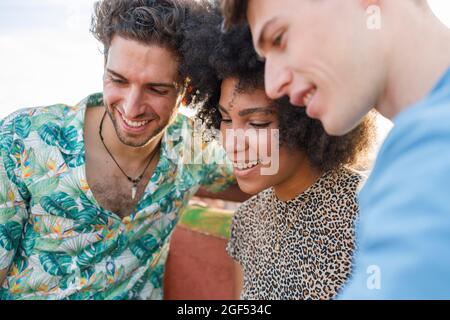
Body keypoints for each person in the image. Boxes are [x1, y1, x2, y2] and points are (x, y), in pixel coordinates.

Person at [0, 0, 247, 300]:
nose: (131, 108)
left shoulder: (192, 147)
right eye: (118, 80)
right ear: (104, 69)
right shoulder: (23, 140)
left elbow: (269, 171)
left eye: (156, 89)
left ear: (187, 92)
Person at [220, 0, 450, 299]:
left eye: (280, 38)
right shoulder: (403, 166)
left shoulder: (431, 157)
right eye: (225, 119)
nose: (274, 85)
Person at [195, 25, 375, 299]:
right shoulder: (247, 221)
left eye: (257, 123)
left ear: (308, 119)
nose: (231, 143)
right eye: (226, 120)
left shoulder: (371, 216)